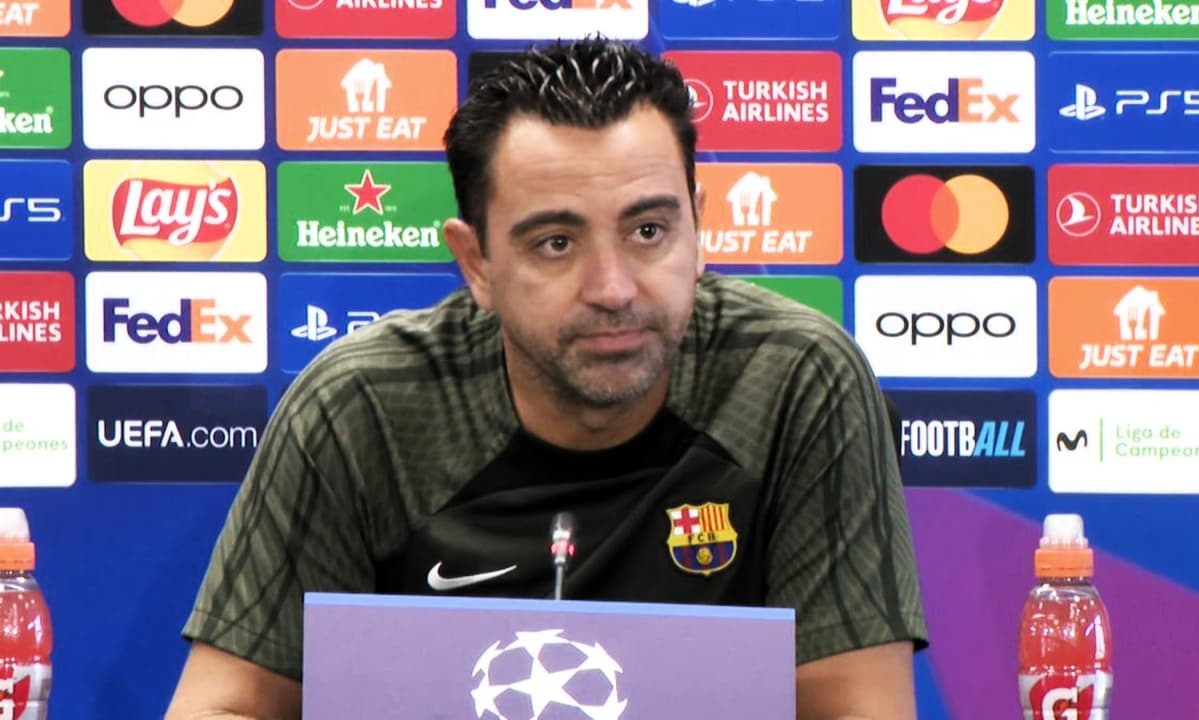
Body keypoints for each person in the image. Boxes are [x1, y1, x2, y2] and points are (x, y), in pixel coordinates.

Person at [165, 36, 929, 720]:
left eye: (650, 231)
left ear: (699, 228)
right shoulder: (361, 404)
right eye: (557, 243)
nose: (614, 289)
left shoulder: (795, 379)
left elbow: (856, 710)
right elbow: (225, 705)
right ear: (477, 263)